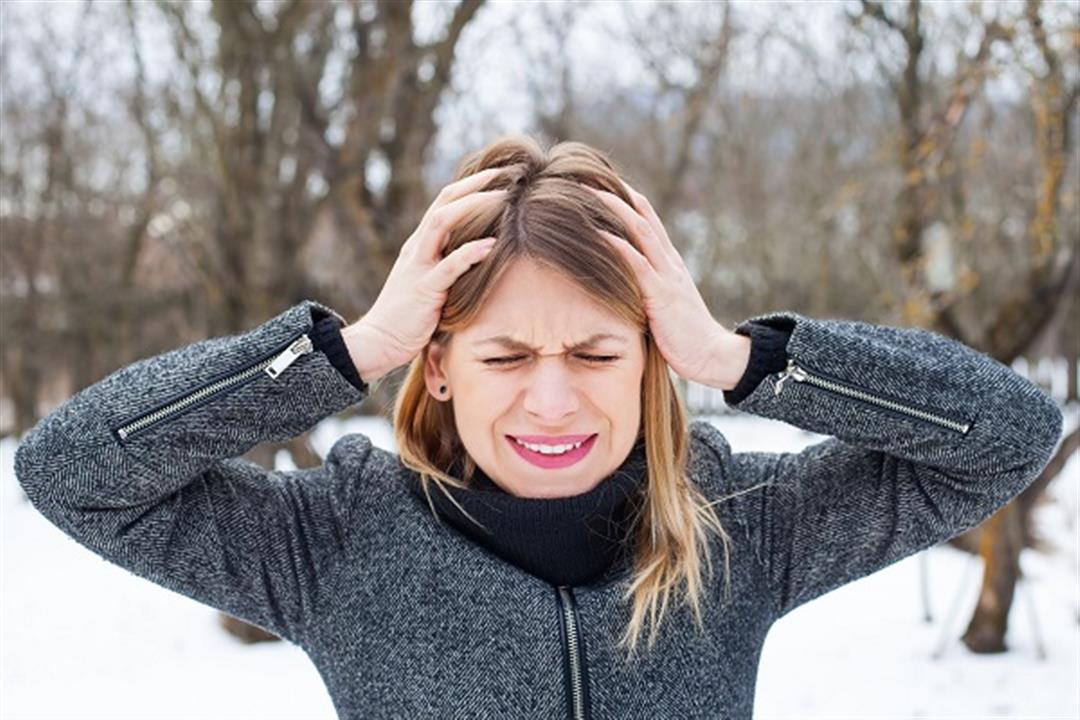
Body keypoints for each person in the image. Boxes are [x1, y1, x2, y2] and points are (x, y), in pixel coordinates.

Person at [15, 136, 1063, 720]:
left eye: (597, 354)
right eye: (506, 357)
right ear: (437, 364)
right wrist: (350, 349)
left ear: (651, 358)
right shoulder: (332, 541)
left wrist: (739, 357)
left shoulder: (739, 524)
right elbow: (72, 470)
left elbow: (1009, 433)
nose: (552, 402)